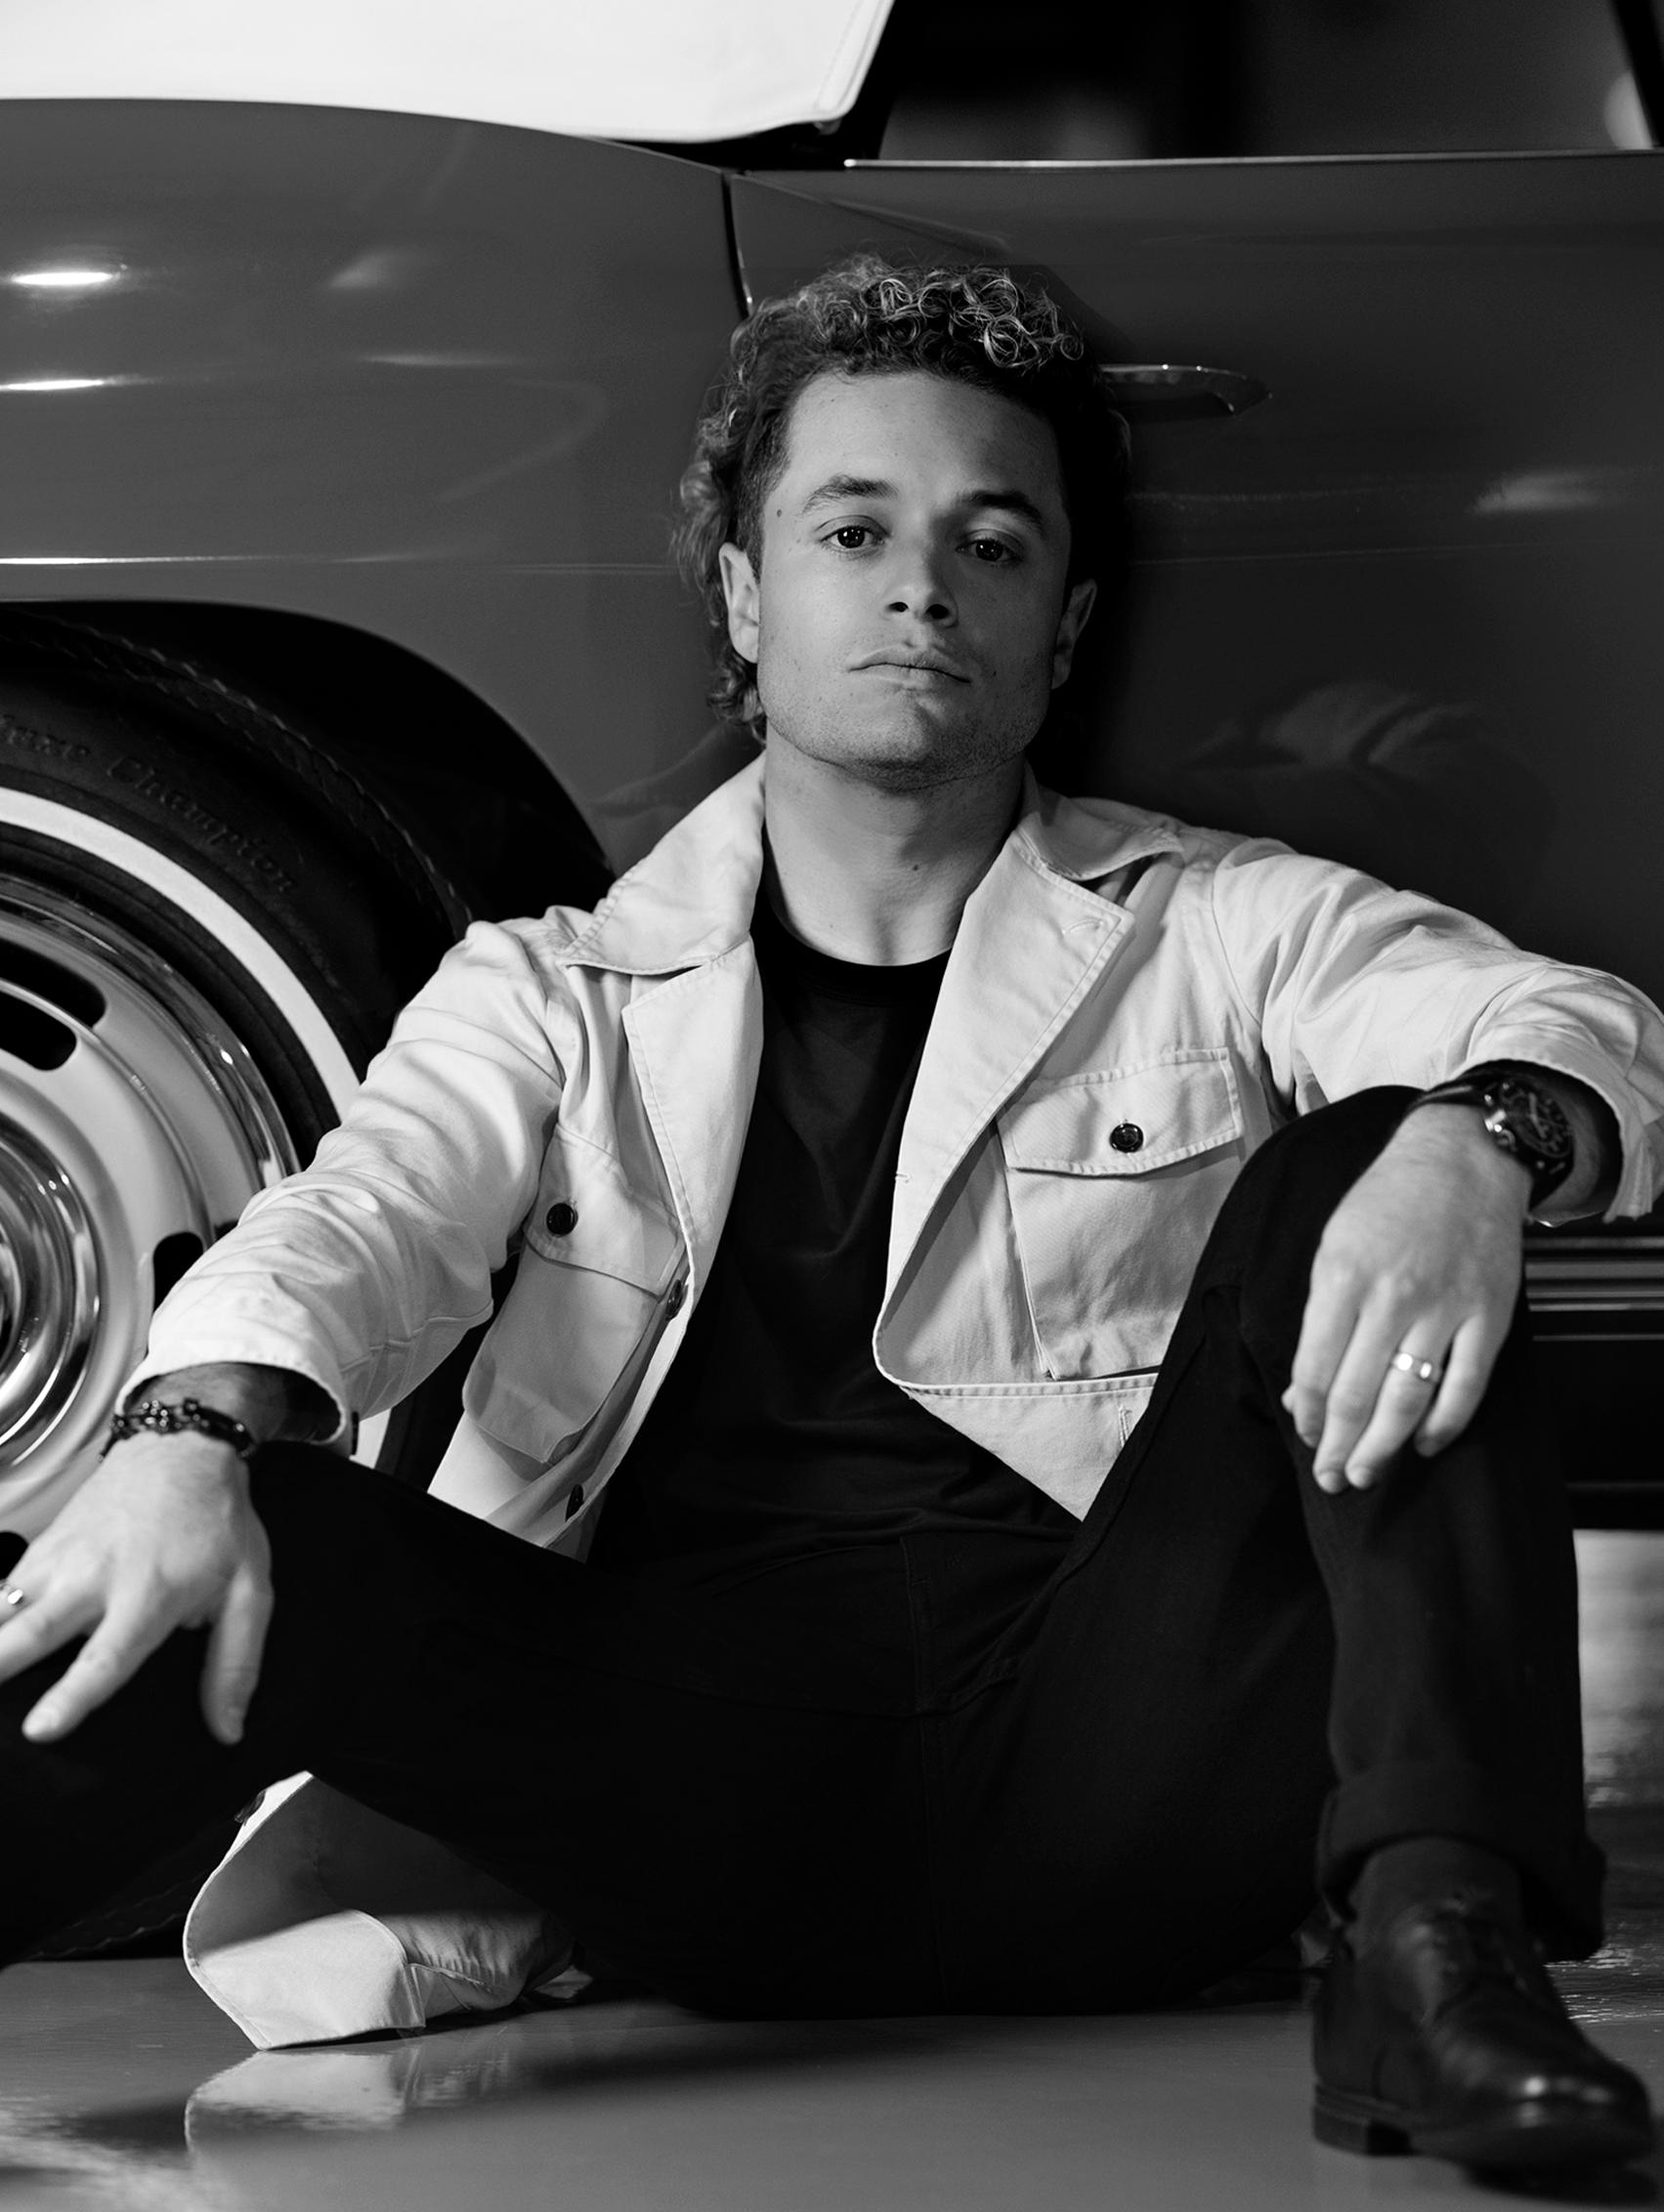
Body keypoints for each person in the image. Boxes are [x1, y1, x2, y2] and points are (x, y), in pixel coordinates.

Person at [0, 256, 1661, 2175]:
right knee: (244, 1504)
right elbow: (369, 1212)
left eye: (991, 543)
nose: (920, 589)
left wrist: (1476, 1139)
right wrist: (188, 1430)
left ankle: (1440, 1964)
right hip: (697, 1797)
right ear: (744, 594)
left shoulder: (1219, 918)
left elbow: (1570, 1024)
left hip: (1118, 1763)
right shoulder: (554, 985)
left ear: (1065, 624)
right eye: (853, 531)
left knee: (1386, 1145)